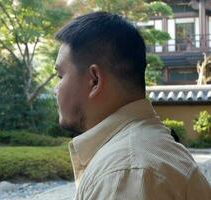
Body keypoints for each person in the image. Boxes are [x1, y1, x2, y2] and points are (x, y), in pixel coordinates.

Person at [54, 12, 210, 199]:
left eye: (60, 76)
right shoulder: (139, 155)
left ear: (94, 80)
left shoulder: (125, 173)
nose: (56, 89)